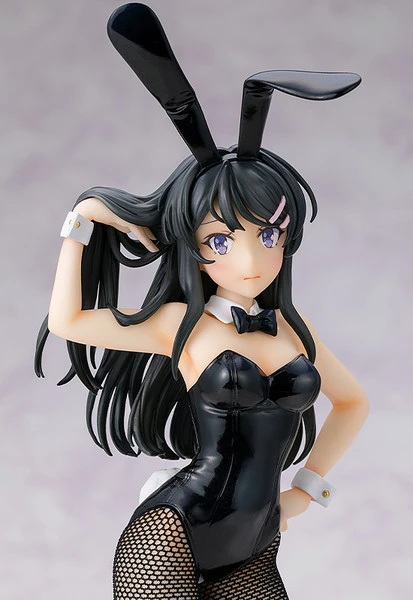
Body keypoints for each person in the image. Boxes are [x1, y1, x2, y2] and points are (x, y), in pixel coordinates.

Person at [35, 4, 369, 599]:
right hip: (172, 535)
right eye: (221, 240)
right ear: (193, 247)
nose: (251, 259)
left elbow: (353, 403)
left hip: (257, 542)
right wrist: (82, 219)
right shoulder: (179, 326)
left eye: (269, 234)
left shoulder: (293, 331)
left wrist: (306, 490)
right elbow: (68, 321)